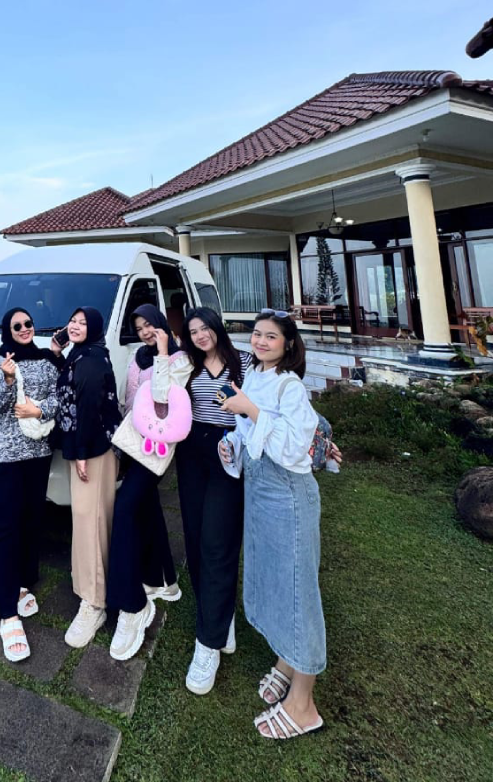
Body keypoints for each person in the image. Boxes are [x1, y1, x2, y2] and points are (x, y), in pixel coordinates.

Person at [221, 311, 327, 739]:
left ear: (288, 344)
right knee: (273, 578)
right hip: (259, 491)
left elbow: (292, 445)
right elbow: (246, 433)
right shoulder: (253, 378)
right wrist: (231, 446)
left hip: (288, 495)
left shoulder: (289, 385)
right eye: (257, 335)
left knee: (298, 589)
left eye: (271, 336)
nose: (261, 341)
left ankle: (304, 704)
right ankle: (286, 657)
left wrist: (250, 411)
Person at [176, 306, 252, 693]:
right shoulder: (187, 364)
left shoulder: (243, 363)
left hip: (229, 451)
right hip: (192, 452)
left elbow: (258, 408)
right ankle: (220, 613)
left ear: (216, 328)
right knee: (194, 538)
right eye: (193, 331)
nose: (200, 335)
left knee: (217, 541)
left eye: (205, 328)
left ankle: (208, 642)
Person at [0, 307, 61, 661]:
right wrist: (9, 380)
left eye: (28, 324)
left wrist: (39, 410)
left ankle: (24, 582)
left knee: (32, 520)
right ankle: (7, 613)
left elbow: (62, 397)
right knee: (5, 527)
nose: (25, 329)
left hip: (37, 452)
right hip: (3, 455)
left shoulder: (47, 359)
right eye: (17, 325)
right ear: (7, 330)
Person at [105, 321, 184, 660]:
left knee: (123, 511)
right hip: (135, 446)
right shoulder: (139, 357)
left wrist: (164, 351)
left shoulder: (180, 358)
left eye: (150, 324)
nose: (145, 331)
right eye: (139, 327)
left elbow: (163, 395)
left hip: (158, 448)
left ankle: (132, 604)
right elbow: (128, 397)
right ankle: (163, 581)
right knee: (149, 509)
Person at [55, 306, 121, 649]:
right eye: (73, 320)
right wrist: (57, 350)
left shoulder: (92, 358)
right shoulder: (79, 353)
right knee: (86, 521)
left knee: (90, 521)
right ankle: (90, 588)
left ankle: (95, 602)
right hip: (86, 449)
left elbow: (89, 405)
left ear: (94, 327)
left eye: (83, 322)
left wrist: (80, 452)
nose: (76, 325)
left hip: (92, 451)